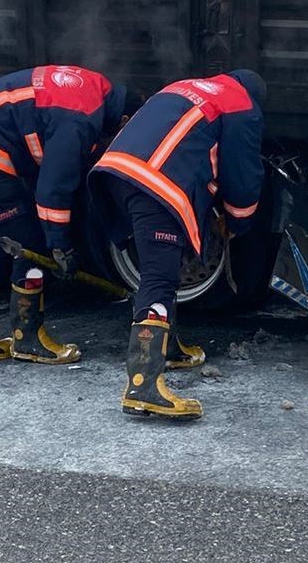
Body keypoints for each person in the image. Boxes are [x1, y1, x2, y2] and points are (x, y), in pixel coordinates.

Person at [91, 70, 266, 420]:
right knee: (159, 277)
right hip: (156, 184)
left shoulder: (186, 87)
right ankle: (143, 386)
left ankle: (167, 349)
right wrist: (238, 222)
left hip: (115, 173)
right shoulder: (242, 104)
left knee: (163, 269)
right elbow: (243, 175)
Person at [0, 65, 135, 366]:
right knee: (31, 244)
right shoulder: (81, 120)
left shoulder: (95, 92)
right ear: (123, 120)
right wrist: (60, 246)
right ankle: (27, 339)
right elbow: (53, 190)